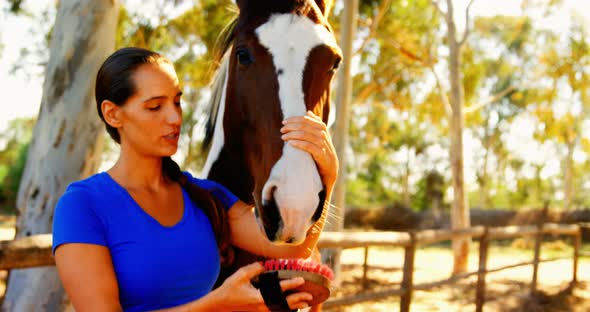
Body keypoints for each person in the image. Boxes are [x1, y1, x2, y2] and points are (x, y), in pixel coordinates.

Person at [52, 47, 338, 312]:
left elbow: (294, 248)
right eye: (155, 107)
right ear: (113, 114)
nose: (175, 117)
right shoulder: (82, 205)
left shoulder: (206, 197)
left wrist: (328, 176)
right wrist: (216, 304)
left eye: (177, 102)